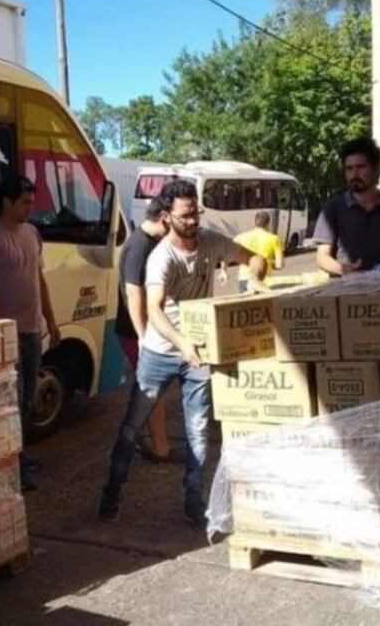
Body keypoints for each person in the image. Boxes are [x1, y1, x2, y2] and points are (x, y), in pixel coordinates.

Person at [98, 179, 268, 528]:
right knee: (132, 426)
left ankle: (194, 501)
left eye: (196, 213)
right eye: (186, 215)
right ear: (167, 216)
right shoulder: (160, 257)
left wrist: (254, 276)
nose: (193, 221)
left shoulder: (211, 242)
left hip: (200, 353)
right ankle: (112, 492)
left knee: (198, 430)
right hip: (161, 352)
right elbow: (154, 309)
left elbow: (254, 257)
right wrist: (180, 342)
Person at [0, 173, 60, 492]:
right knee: (12, 399)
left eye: (32, 202)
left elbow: (39, 279)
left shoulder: (33, 233)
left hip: (32, 329)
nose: (29, 208)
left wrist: (50, 320)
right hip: (6, 332)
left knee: (27, 399)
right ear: (6, 202)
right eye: (24, 203)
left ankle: (21, 456)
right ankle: (13, 462)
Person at [115, 197, 172, 461]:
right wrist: (143, 336)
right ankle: (160, 448)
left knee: (148, 388)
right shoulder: (139, 245)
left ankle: (141, 437)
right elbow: (133, 294)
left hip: (148, 329)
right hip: (135, 330)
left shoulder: (153, 242)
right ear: (164, 217)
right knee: (152, 389)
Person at [312, 137, 380, 275]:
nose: (354, 174)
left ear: (376, 169)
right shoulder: (333, 208)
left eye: (361, 167)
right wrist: (344, 269)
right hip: (346, 290)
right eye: (349, 169)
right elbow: (322, 257)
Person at [232, 211, 284, 292]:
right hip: (263, 280)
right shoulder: (275, 239)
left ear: (254, 223)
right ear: (268, 224)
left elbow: (229, 253)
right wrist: (271, 264)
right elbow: (279, 265)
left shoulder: (240, 237)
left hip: (243, 279)